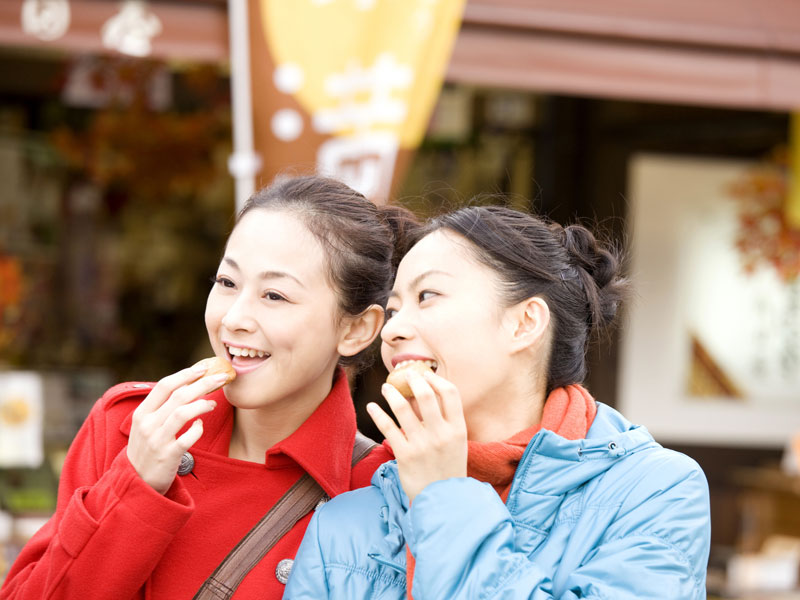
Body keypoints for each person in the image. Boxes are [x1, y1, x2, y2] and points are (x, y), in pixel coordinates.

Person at [1, 175, 417, 600]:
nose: (234, 317)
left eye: (274, 295)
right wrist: (135, 485)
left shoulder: (380, 488)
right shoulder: (129, 427)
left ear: (356, 329)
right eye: (227, 283)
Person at [284, 204, 712, 599]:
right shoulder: (343, 521)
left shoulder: (656, 491)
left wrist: (443, 495)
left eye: (427, 296)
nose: (392, 332)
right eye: (393, 311)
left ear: (524, 323)